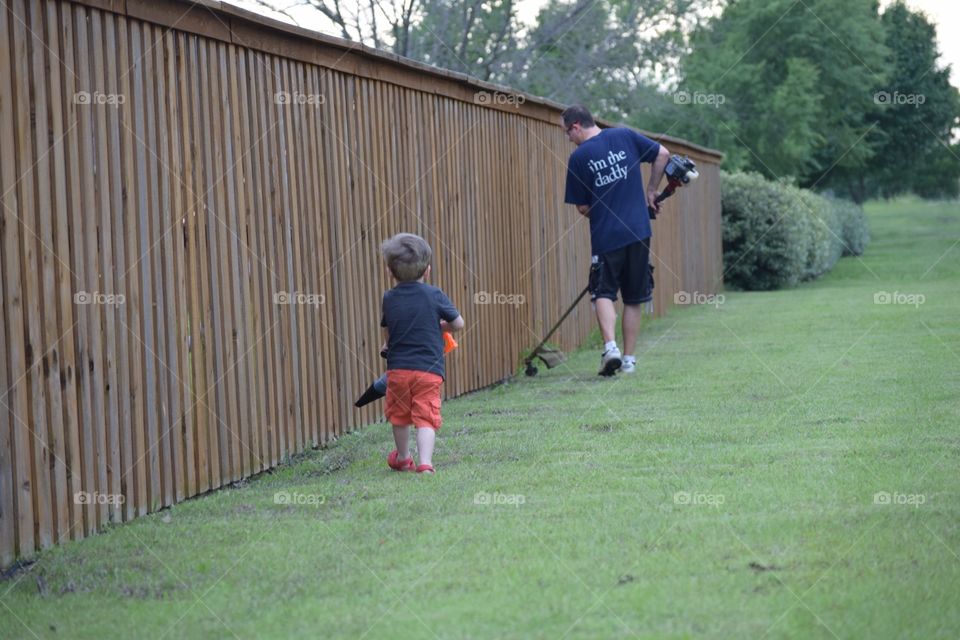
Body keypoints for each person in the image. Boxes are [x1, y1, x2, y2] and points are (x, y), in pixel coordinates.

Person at [562, 104, 669, 376]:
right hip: (639, 231)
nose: (568, 138)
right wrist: (651, 191)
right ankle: (630, 360)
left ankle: (611, 348)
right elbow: (662, 154)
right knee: (634, 296)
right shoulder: (624, 136)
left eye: (567, 133)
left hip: (607, 236)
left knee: (603, 292)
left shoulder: (579, 158)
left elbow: (583, 208)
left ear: (576, 126)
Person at [379, 233, 464, 474]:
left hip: (398, 370)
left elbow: (388, 328)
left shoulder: (389, 298)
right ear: (427, 270)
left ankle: (404, 458)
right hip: (429, 369)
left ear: (390, 271)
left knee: (400, 415)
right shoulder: (434, 294)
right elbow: (458, 323)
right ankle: (425, 463)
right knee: (426, 416)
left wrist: (388, 345)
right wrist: (440, 327)